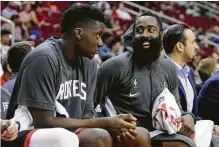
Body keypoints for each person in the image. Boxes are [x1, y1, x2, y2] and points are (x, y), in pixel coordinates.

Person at [7, 4, 139, 147]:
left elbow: (87, 115)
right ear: (78, 33)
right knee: (97, 138)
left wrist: (114, 126)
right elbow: (43, 121)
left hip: (69, 131)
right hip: (28, 132)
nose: (101, 43)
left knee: (137, 135)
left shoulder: (90, 63)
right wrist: (105, 123)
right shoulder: (44, 58)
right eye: (98, 35)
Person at [95, 11, 196, 146]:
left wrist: (189, 116)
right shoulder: (114, 66)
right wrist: (110, 124)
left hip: (158, 132)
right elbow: (90, 105)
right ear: (133, 35)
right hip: (128, 133)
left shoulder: (168, 68)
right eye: (139, 30)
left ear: (160, 35)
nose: (145, 35)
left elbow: (176, 108)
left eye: (151, 30)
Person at [162, 24, 200, 118]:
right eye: (193, 42)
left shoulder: (189, 72)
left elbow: (193, 114)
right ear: (180, 47)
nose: (196, 47)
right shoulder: (159, 71)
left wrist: (212, 127)